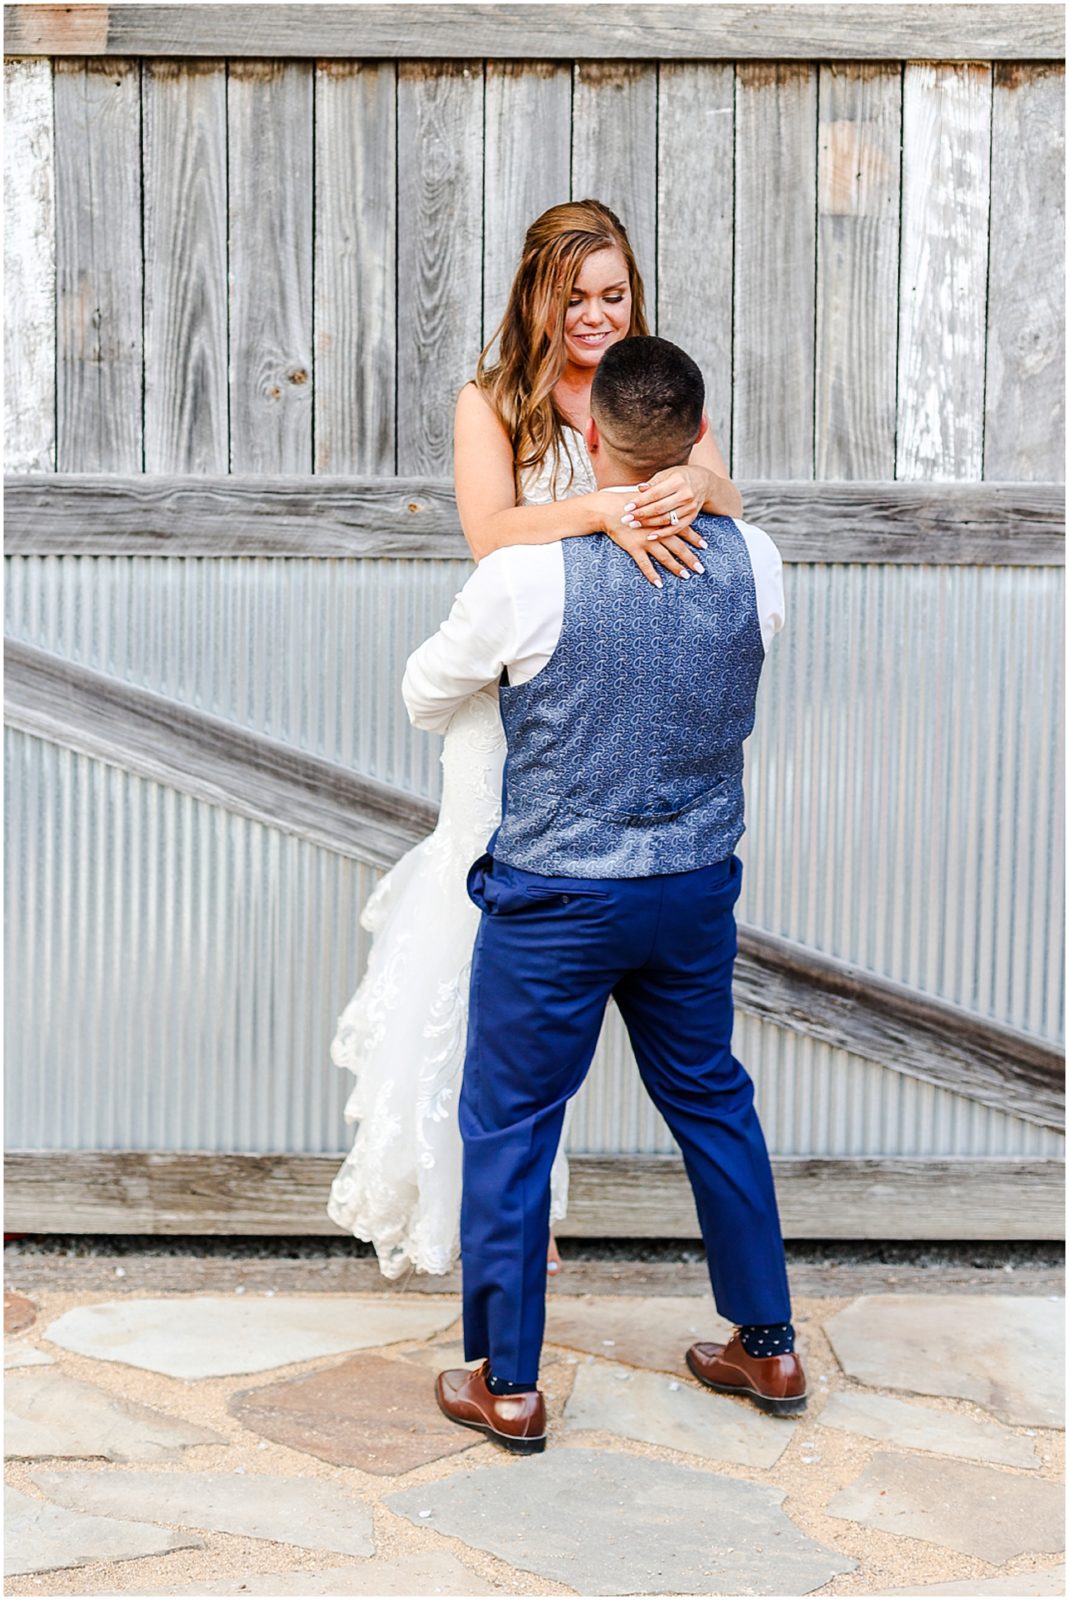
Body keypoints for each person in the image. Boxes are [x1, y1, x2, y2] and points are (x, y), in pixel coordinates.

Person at [402, 335, 807, 1454]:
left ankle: (509, 1381)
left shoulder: (527, 575)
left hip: (557, 897)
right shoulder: (757, 558)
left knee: (512, 1125)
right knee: (712, 1099)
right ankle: (766, 1341)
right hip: (689, 889)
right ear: (694, 439)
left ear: (591, 440)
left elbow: (423, 694)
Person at [326, 200, 742, 1281]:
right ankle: (479, 1212)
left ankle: (522, 1213)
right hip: (509, 708)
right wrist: (602, 510)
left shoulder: (648, 389)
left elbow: (731, 508)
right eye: (578, 299)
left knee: (572, 978)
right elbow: (489, 532)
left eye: (615, 295)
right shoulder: (495, 400)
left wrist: (694, 479)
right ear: (537, 298)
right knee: (480, 955)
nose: (598, 316)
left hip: (618, 717)